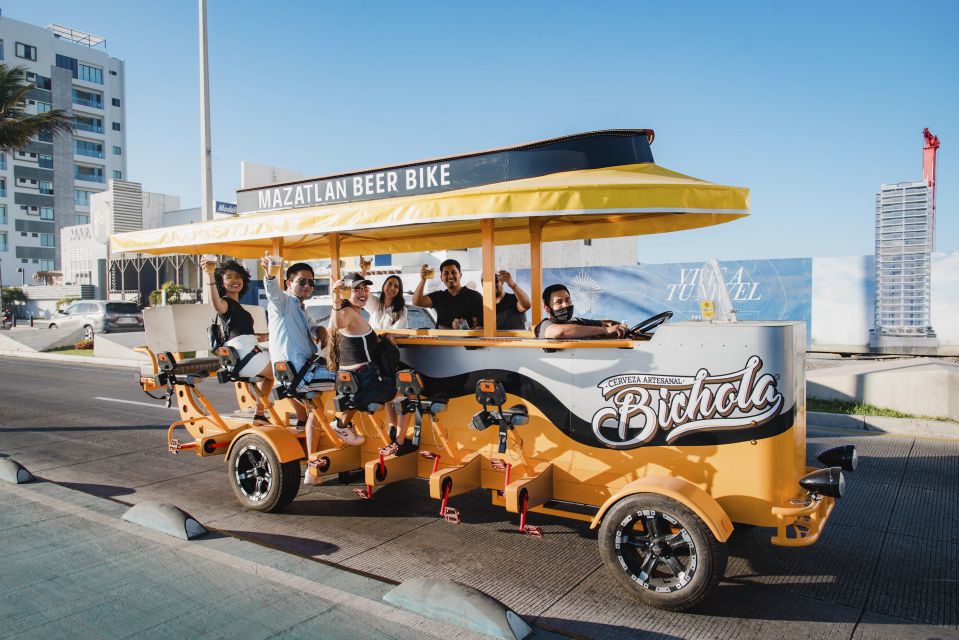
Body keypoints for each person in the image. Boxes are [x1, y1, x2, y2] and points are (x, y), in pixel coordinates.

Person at [260, 254, 344, 452]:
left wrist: (320, 331)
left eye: (311, 282)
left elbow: (313, 327)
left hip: (304, 370)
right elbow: (272, 291)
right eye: (302, 281)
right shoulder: (283, 303)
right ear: (289, 283)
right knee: (353, 378)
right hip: (300, 374)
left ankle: (314, 454)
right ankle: (343, 427)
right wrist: (270, 274)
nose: (307, 285)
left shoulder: (299, 307)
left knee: (320, 407)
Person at [328, 272, 414, 455]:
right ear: (345, 293)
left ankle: (343, 424)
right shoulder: (347, 312)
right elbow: (339, 322)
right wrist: (334, 297)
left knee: (390, 382)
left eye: (364, 288)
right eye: (356, 289)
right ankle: (399, 442)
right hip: (366, 383)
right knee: (408, 387)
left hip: (350, 383)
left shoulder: (354, 313)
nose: (362, 292)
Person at [201, 257, 272, 423]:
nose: (235, 281)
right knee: (287, 372)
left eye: (238, 277)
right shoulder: (225, 303)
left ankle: (260, 412)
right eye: (229, 277)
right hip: (244, 354)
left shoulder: (237, 305)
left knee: (276, 372)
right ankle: (301, 417)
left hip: (248, 351)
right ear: (221, 282)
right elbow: (216, 305)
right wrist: (210, 274)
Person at [534, 284, 628, 339]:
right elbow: (561, 331)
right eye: (559, 302)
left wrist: (621, 327)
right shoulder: (544, 326)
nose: (566, 305)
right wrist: (605, 331)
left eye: (568, 300)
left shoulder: (576, 321)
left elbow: (607, 324)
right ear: (547, 308)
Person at [412, 258, 483, 329]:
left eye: (453, 272)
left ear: (460, 275)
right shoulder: (439, 296)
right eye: (446, 273)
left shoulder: (475, 297)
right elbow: (417, 301)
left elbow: (482, 327)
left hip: (464, 340)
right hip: (440, 340)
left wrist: (463, 330)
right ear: (441, 277)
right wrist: (423, 280)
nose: (450, 276)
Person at [360, 261, 408, 329]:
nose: (392, 288)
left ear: (399, 291)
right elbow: (361, 290)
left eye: (396, 286)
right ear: (384, 285)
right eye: (390, 284)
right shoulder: (375, 302)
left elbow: (397, 331)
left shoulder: (402, 310)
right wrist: (364, 270)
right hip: (372, 339)